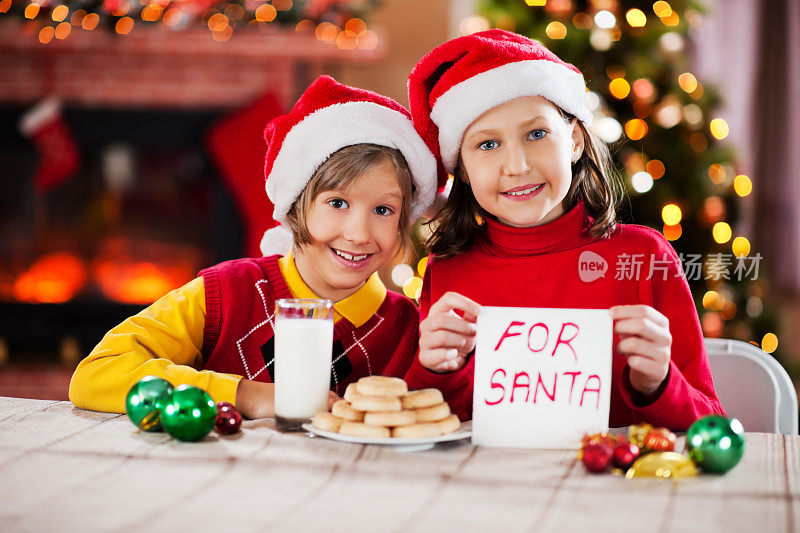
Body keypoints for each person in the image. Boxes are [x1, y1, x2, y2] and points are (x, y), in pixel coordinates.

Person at [403, 30, 725, 430]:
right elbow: (420, 428)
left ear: (572, 141)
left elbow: (711, 422)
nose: (517, 165)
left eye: (536, 134)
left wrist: (657, 386)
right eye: (488, 145)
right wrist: (432, 371)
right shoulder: (448, 270)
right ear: (462, 170)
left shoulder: (644, 257)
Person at [69, 75, 437, 419]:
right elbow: (96, 375)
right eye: (337, 203)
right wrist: (246, 395)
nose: (359, 234)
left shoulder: (409, 330)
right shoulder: (226, 294)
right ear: (295, 207)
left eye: (383, 210)